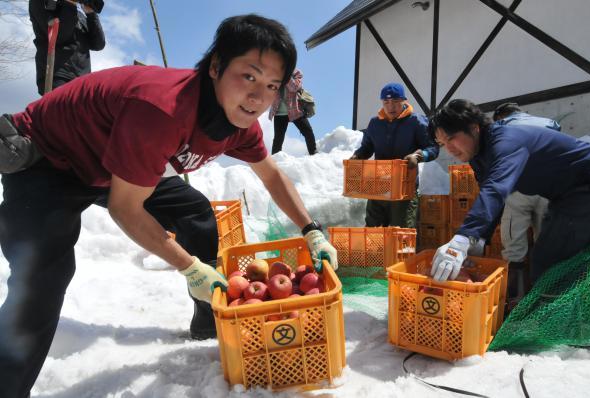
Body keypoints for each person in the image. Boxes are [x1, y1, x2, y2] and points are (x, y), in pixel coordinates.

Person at [0, 14, 337, 398]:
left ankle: (208, 320)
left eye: (272, 85)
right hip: (48, 159)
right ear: (215, 67)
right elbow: (126, 209)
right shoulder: (163, 108)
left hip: (109, 163)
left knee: (195, 212)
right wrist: (189, 267)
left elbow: (272, 176)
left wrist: (311, 230)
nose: (259, 97)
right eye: (249, 76)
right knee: (42, 278)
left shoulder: (241, 125)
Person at [428, 99, 590, 291]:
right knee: (550, 257)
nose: (449, 149)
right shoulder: (478, 156)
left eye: (451, 138)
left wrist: (463, 239)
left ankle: (557, 316)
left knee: (550, 261)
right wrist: (478, 240)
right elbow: (493, 199)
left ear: (474, 127)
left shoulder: (505, 141)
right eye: (442, 144)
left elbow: (496, 188)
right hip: (563, 195)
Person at [492, 103, 561, 305]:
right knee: (548, 243)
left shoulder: (501, 126)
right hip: (550, 189)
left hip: (519, 189)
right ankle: (548, 299)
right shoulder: (549, 123)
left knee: (514, 246)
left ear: (500, 117)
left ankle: (517, 301)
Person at [350, 82, 439, 228]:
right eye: (386, 102)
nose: (391, 106)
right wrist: (358, 156)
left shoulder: (416, 121)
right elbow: (367, 147)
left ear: (404, 101)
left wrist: (418, 156)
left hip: (404, 189)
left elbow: (433, 147)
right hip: (378, 188)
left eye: (396, 102)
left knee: (401, 232)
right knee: (373, 233)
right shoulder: (375, 123)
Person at [29, 0, 105, 95]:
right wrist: (70, 3)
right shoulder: (42, 4)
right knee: (58, 109)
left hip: (82, 78)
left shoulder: (77, 13)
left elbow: (98, 44)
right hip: (56, 75)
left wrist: (91, 13)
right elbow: (61, 35)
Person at [268, 68, 317, 155]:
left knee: (308, 131)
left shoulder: (297, 73)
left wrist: (286, 74)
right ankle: (276, 161)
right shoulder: (274, 72)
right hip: (279, 111)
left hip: (295, 110)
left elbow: (294, 87)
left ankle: (314, 154)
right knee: (278, 139)